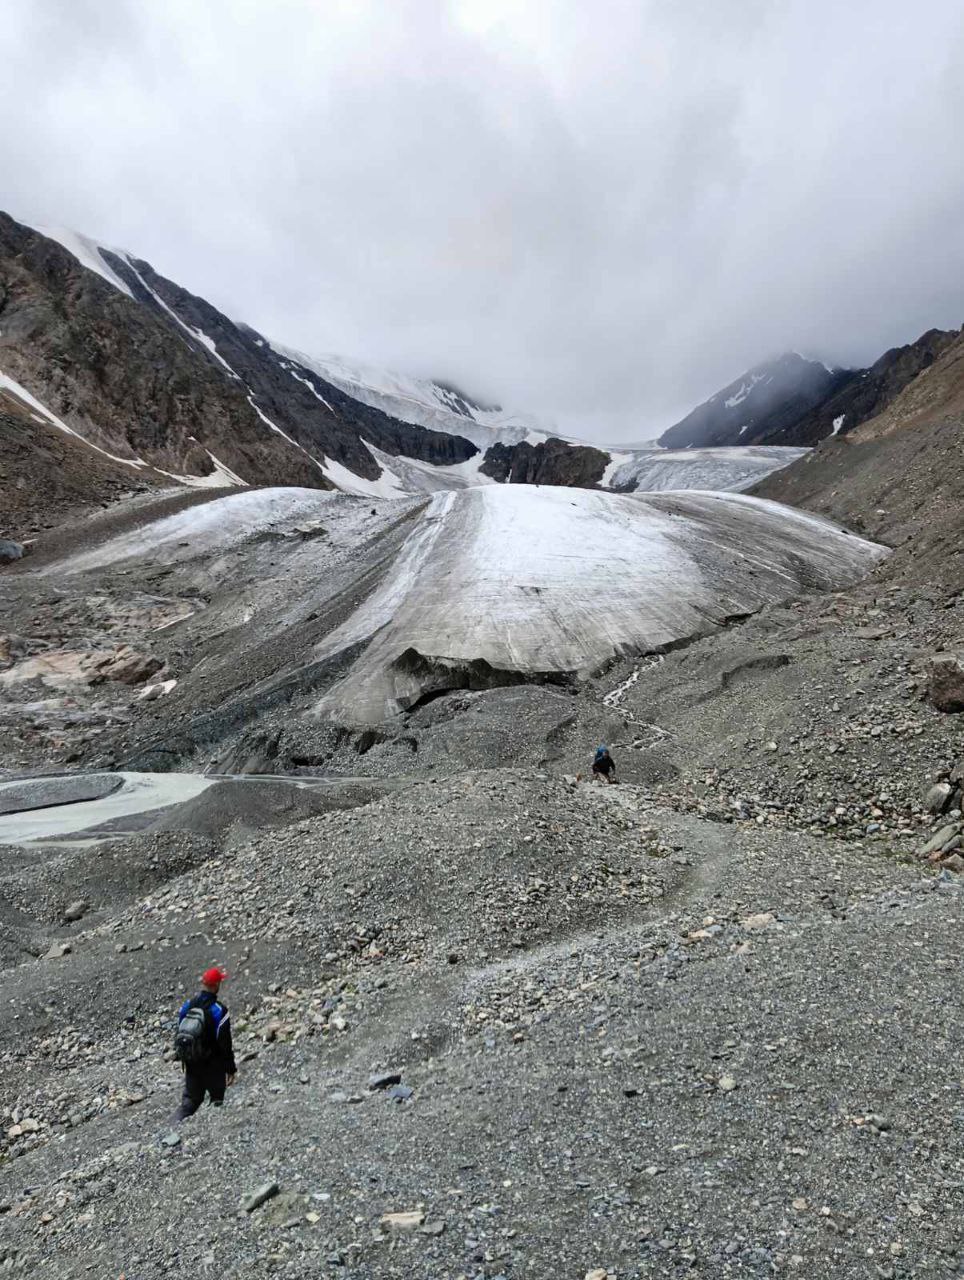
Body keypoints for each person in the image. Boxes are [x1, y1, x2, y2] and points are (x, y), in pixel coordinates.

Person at [172, 966, 237, 1122]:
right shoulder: (219, 1010)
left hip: (191, 1061)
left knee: (190, 1101)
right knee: (217, 1101)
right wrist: (230, 1069)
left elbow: (180, 1031)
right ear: (215, 985)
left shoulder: (187, 1006)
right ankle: (214, 1134)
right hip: (213, 1065)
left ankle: (171, 1126)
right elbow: (224, 1043)